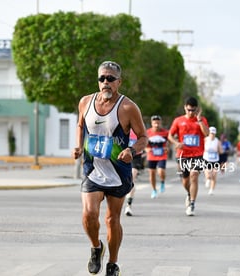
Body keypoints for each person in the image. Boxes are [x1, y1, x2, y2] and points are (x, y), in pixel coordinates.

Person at [72, 61, 147, 276]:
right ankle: (96, 247)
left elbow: (143, 137)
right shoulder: (85, 102)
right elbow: (80, 124)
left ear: (119, 82)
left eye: (110, 79)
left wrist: (131, 151)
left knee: (112, 219)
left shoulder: (127, 107)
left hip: (117, 171)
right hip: (93, 169)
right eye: (102, 78)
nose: (106, 82)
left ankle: (113, 264)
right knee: (89, 214)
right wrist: (78, 146)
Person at [168, 97, 209, 216]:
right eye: (189, 110)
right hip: (183, 155)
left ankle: (192, 204)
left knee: (194, 175)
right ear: (185, 107)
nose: (191, 113)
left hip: (197, 154)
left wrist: (200, 120)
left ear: (197, 109)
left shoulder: (201, 120)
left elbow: (206, 133)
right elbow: (170, 136)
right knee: (185, 181)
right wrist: (176, 143)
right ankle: (190, 193)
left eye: (193, 110)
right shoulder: (178, 121)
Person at [145, 115, 170, 199]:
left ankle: (162, 182)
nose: (156, 124)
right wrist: (146, 149)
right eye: (155, 123)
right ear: (152, 123)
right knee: (152, 173)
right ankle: (154, 190)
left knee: (161, 171)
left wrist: (167, 147)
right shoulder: (147, 132)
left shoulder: (165, 132)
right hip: (151, 155)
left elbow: (170, 141)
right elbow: (142, 142)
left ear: (160, 123)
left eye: (158, 123)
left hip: (162, 155)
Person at [124, 129, 145, 216]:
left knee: (131, 177)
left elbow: (144, 140)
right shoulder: (120, 125)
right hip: (121, 155)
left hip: (135, 156)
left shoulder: (138, 127)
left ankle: (128, 205)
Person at [203, 127, 223, 195]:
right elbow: (201, 148)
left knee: (214, 175)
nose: (212, 135)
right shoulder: (205, 140)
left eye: (213, 133)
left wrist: (219, 150)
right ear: (209, 133)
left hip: (215, 159)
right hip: (206, 159)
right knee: (208, 175)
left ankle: (211, 190)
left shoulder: (217, 141)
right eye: (211, 133)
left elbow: (221, 151)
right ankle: (208, 179)